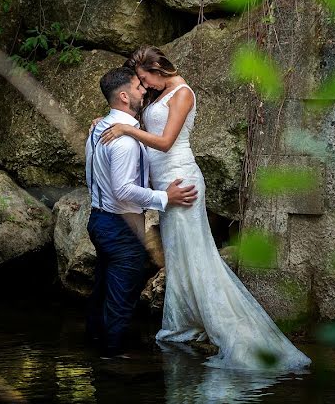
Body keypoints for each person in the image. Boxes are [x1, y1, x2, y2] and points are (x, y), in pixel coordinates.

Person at [98, 46, 311, 370]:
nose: (145, 86)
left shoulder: (182, 93)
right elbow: (140, 119)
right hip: (165, 185)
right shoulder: (160, 93)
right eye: (140, 82)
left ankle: (224, 329)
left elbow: (166, 141)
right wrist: (109, 119)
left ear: (159, 70)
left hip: (181, 180)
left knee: (197, 256)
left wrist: (126, 129)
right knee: (180, 258)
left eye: (145, 79)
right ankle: (185, 323)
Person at [85, 66, 198, 358]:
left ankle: (94, 348)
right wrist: (165, 196)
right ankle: (113, 359)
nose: (144, 91)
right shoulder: (122, 141)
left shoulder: (99, 128)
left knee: (102, 291)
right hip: (120, 227)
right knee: (121, 298)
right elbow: (123, 190)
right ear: (124, 96)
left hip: (98, 220)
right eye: (138, 87)